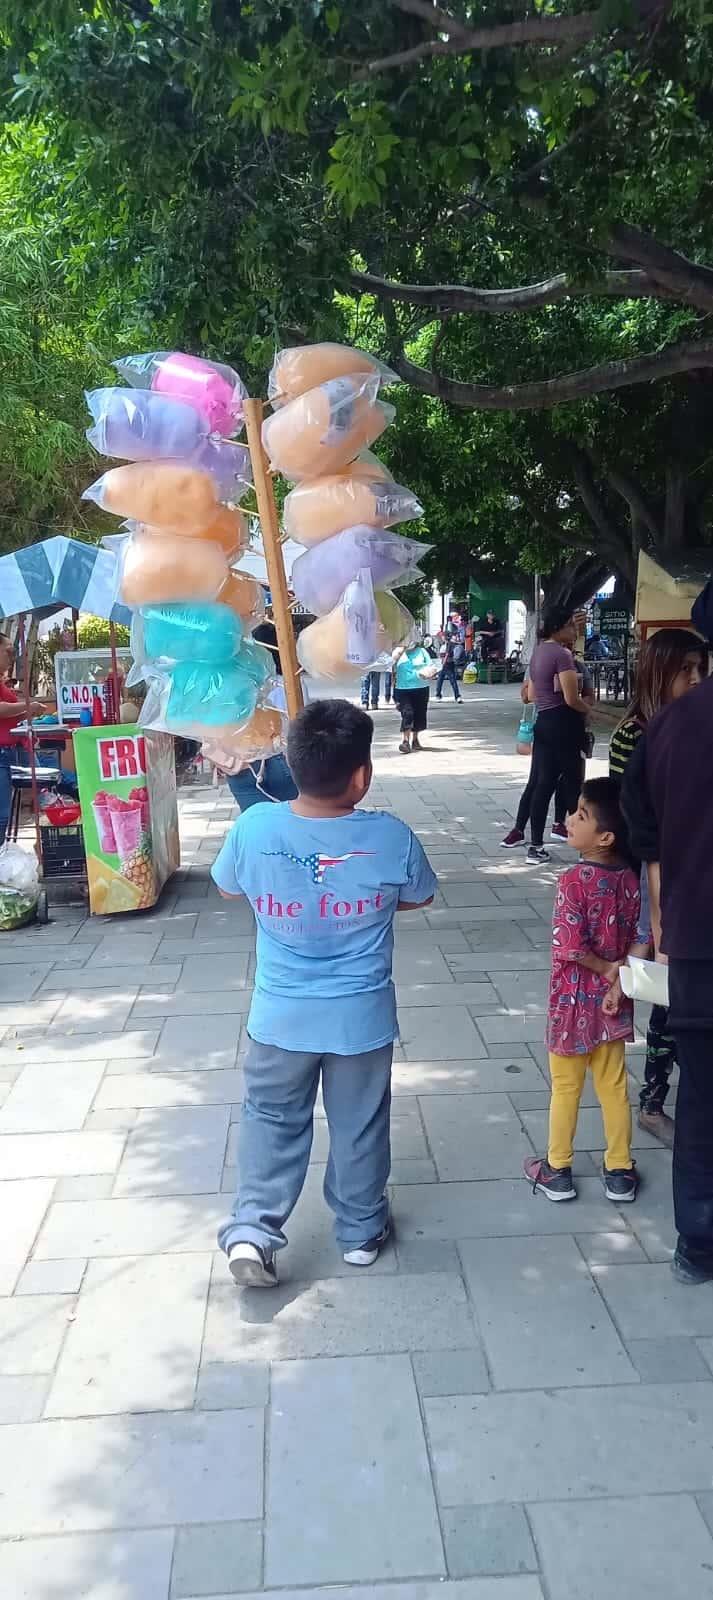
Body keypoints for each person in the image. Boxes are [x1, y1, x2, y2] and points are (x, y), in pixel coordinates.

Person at [211, 699, 437, 1287]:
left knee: (270, 1119)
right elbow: (418, 897)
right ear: (361, 775)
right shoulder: (391, 836)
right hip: (360, 1021)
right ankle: (360, 1230)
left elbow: (231, 891)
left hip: (279, 1017)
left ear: (289, 759)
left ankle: (253, 1233)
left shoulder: (255, 827)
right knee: (360, 1122)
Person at [622, 586, 713, 1284]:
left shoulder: (666, 730)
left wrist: (658, 931)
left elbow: (648, 849)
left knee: (702, 1096)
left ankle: (697, 1242)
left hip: (696, 941)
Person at [609, 627, 707, 1147]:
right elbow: (643, 828)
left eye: (700, 669)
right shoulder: (641, 734)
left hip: (686, 874)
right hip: (656, 877)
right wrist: (658, 914)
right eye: (683, 670)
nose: (694, 679)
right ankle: (652, 1100)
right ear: (658, 673)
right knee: (666, 990)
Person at [524, 778, 641, 1203]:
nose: (570, 819)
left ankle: (557, 1168)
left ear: (606, 836)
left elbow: (570, 947)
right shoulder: (630, 877)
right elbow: (637, 935)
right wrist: (616, 975)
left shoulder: (573, 879)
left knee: (566, 1086)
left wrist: (604, 967)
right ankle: (620, 1171)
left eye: (581, 815)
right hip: (613, 1001)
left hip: (571, 1002)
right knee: (613, 1085)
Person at [503, 606, 590, 865]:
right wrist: (590, 711)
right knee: (574, 784)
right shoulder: (562, 655)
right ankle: (585, 846)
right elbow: (572, 698)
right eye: (571, 626)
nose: (574, 631)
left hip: (544, 722)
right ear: (559, 628)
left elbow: (531, 694)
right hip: (564, 723)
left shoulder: (539, 652)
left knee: (543, 784)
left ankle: (536, 846)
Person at [0, 634, 48, 847]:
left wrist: (29, 709)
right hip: (3, 752)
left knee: (45, 787)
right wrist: (28, 706)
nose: (12, 657)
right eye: (8, 652)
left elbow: (11, 711)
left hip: (15, 749)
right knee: (2, 815)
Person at [393, 638, 434, 752]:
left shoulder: (422, 651)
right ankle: (405, 741)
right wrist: (402, 649)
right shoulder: (399, 651)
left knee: (419, 714)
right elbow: (391, 662)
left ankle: (415, 739)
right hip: (402, 688)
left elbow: (431, 666)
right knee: (407, 713)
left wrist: (428, 673)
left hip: (421, 687)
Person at [479, 609, 505, 683]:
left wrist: (494, 633)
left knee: (501, 640)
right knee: (483, 643)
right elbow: (480, 631)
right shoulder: (483, 622)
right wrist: (487, 633)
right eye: (490, 614)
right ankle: (484, 658)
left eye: (492, 614)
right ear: (487, 615)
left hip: (495, 639)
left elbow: (501, 630)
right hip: (486, 639)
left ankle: (500, 657)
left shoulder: (497, 621)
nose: (491, 616)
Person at [435, 634, 463, 703]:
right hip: (447, 664)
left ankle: (439, 695)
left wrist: (443, 663)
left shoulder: (449, 644)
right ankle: (457, 696)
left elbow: (447, 654)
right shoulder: (447, 644)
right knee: (445, 680)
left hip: (446, 664)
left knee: (442, 680)